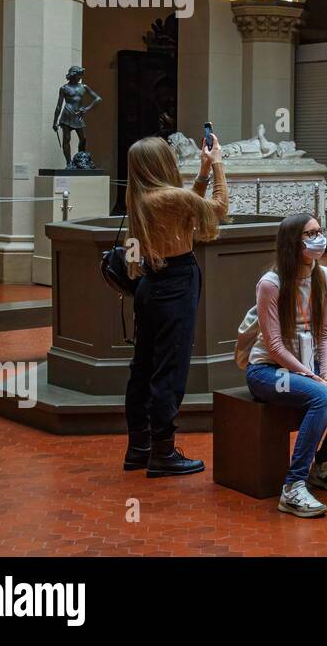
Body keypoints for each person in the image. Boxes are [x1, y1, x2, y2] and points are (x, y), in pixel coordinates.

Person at [246, 213, 327, 518]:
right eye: (309, 235)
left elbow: (326, 333)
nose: (318, 239)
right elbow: (274, 345)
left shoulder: (324, 276)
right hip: (269, 371)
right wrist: (313, 378)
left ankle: (322, 466)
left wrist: (326, 373)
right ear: (291, 243)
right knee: (323, 397)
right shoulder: (271, 284)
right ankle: (293, 487)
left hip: (311, 367)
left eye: (319, 232)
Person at [123, 133, 227, 477]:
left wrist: (201, 172)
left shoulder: (142, 196)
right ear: (162, 164)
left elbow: (185, 208)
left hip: (150, 284)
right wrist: (219, 166)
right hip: (176, 283)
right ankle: (163, 453)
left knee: (144, 367)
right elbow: (218, 210)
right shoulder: (167, 196)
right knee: (170, 370)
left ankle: (139, 448)